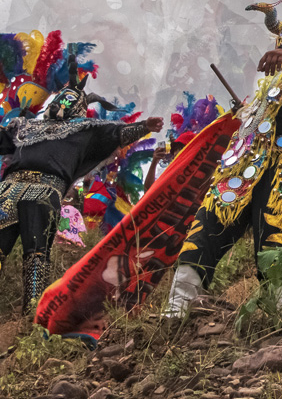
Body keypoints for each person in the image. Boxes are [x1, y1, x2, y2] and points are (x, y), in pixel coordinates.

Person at [164, 0, 282, 319]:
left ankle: (281, 315)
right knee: (207, 223)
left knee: (275, 233)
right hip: (244, 164)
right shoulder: (268, 83)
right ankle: (179, 307)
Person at [0, 57, 161, 310]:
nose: (62, 103)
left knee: (36, 253)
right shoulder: (26, 125)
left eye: (69, 100)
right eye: (61, 98)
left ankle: (32, 311)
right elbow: (3, 141)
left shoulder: (86, 129)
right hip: (9, 188)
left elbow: (116, 134)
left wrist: (143, 127)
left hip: (45, 189)